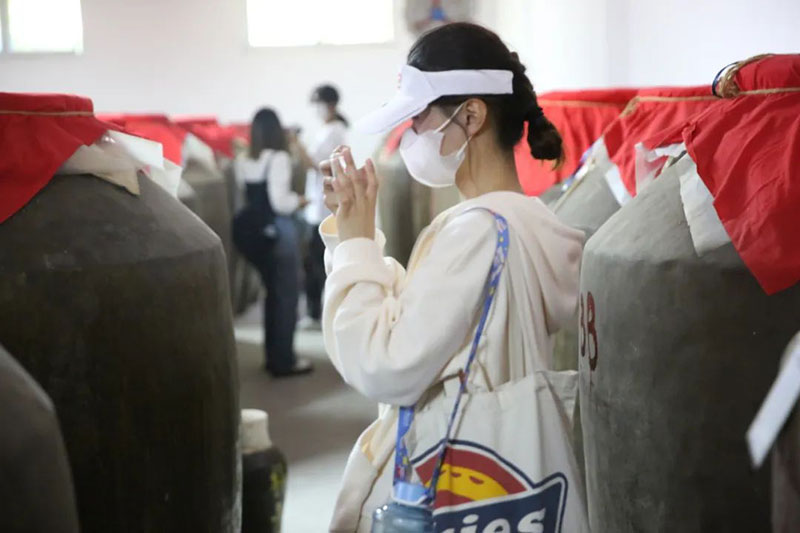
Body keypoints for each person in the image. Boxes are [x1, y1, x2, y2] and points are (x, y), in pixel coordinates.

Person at [318, 23, 587, 531]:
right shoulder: (527, 222)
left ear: (471, 115)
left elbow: (384, 364)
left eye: (419, 117)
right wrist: (353, 236)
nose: (410, 134)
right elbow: (424, 319)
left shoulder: (476, 232)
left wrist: (356, 245)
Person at [234, 108, 313, 377]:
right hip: (278, 233)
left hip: (253, 232)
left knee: (272, 295)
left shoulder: (244, 159)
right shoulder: (279, 158)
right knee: (286, 296)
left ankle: (273, 357)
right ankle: (284, 361)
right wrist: (299, 200)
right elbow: (280, 203)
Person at [297, 85, 349, 329]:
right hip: (316, 207)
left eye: (319, 104)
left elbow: (314, 164)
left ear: (331, 105)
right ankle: (316, 311)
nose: (316, 110)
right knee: (314, 261)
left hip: (322, 209)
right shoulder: (328, 130)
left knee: (318, 263)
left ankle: (317, 313)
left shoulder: (334, 131)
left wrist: (296, 143)